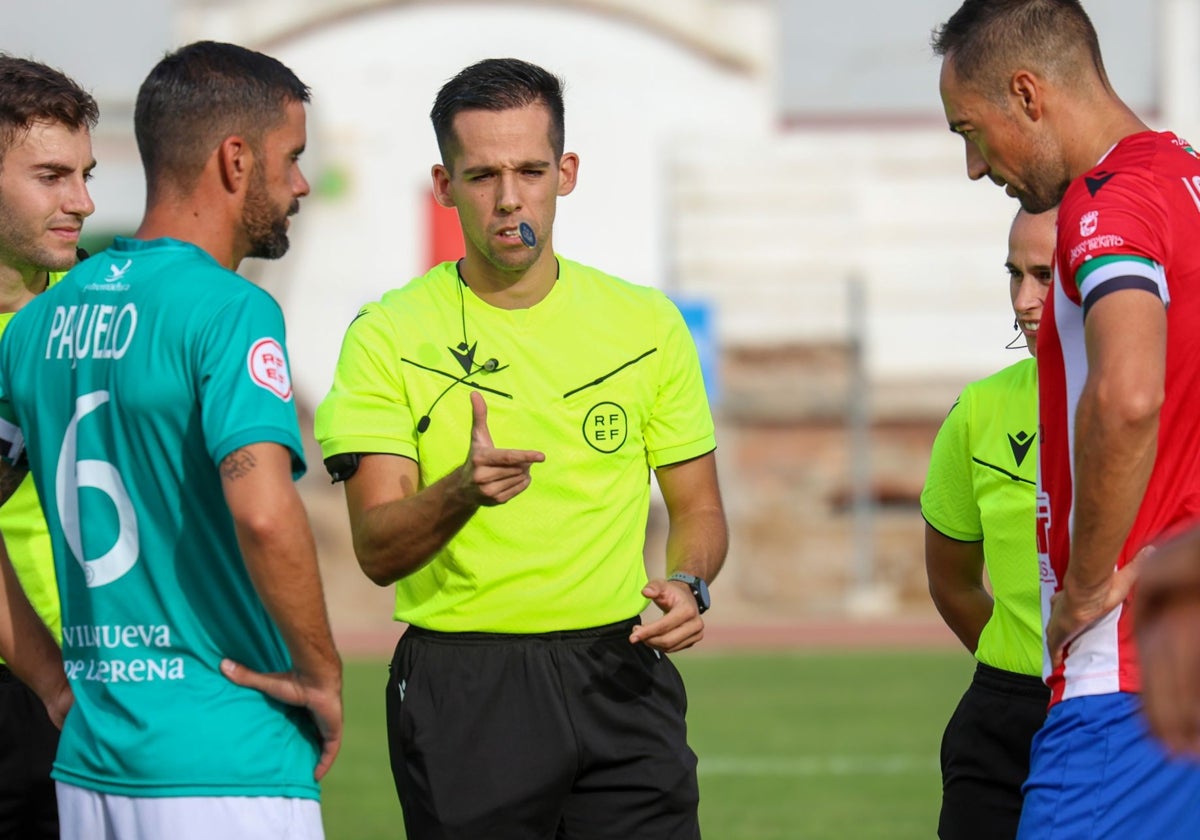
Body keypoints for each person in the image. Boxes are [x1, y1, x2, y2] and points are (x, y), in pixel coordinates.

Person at [315, 57, 727, 839]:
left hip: (623, 670)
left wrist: (688, 580)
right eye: (482, 176)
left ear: (565, 172)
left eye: (531, 170)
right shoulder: (388, 334)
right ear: (444, 186)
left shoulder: (647, 324)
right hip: (466, 683)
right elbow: (376, 549)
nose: (510, 198)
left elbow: (700, 506)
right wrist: (458, 493)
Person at [0, 41, 342, 839]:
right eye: (291, 157)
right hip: (224, 752)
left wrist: (54, 680)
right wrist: (322, 674)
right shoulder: (231, 310)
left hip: (92, 753)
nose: (298, 182)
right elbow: (263, 512)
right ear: (235, 160)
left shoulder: (40, 322)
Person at [934, 1, 1200, 836]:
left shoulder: (1106, 206)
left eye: (970, 132)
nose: (977, 167)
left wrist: (1084, 587)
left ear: (1027, 94)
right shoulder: (1187, 179)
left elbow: (1127, 396)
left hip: (1125, 671)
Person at [921, 207, 1055, 840]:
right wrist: (1015, 667)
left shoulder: (1173, 405)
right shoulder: (978, 409)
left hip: (1132, 714)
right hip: (1004, 715)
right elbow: (953, 582)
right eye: (1014, 275)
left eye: (1048, 276)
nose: (1025, 300)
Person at [0, 54, 96, 839]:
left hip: (105, 678)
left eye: (85, 174)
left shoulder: (102, 307)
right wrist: (50, 682)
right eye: (52, 176)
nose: (84, 202)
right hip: (35, 684)